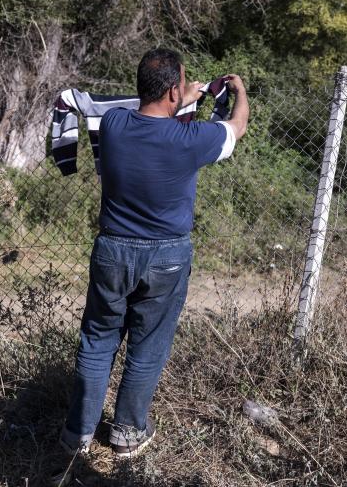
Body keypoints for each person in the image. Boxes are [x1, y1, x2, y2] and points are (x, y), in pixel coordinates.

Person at [57, 48, 248, 471]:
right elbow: (236, 126)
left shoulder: (114, 124)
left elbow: (142, 108)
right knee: (148, 345)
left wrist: (184, 93)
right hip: (167, 256)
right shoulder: (193, 141)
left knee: (97, 340)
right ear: (174, 91)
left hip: (112, 249)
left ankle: (78, 434)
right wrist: (238, 91)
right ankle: (127, 434)